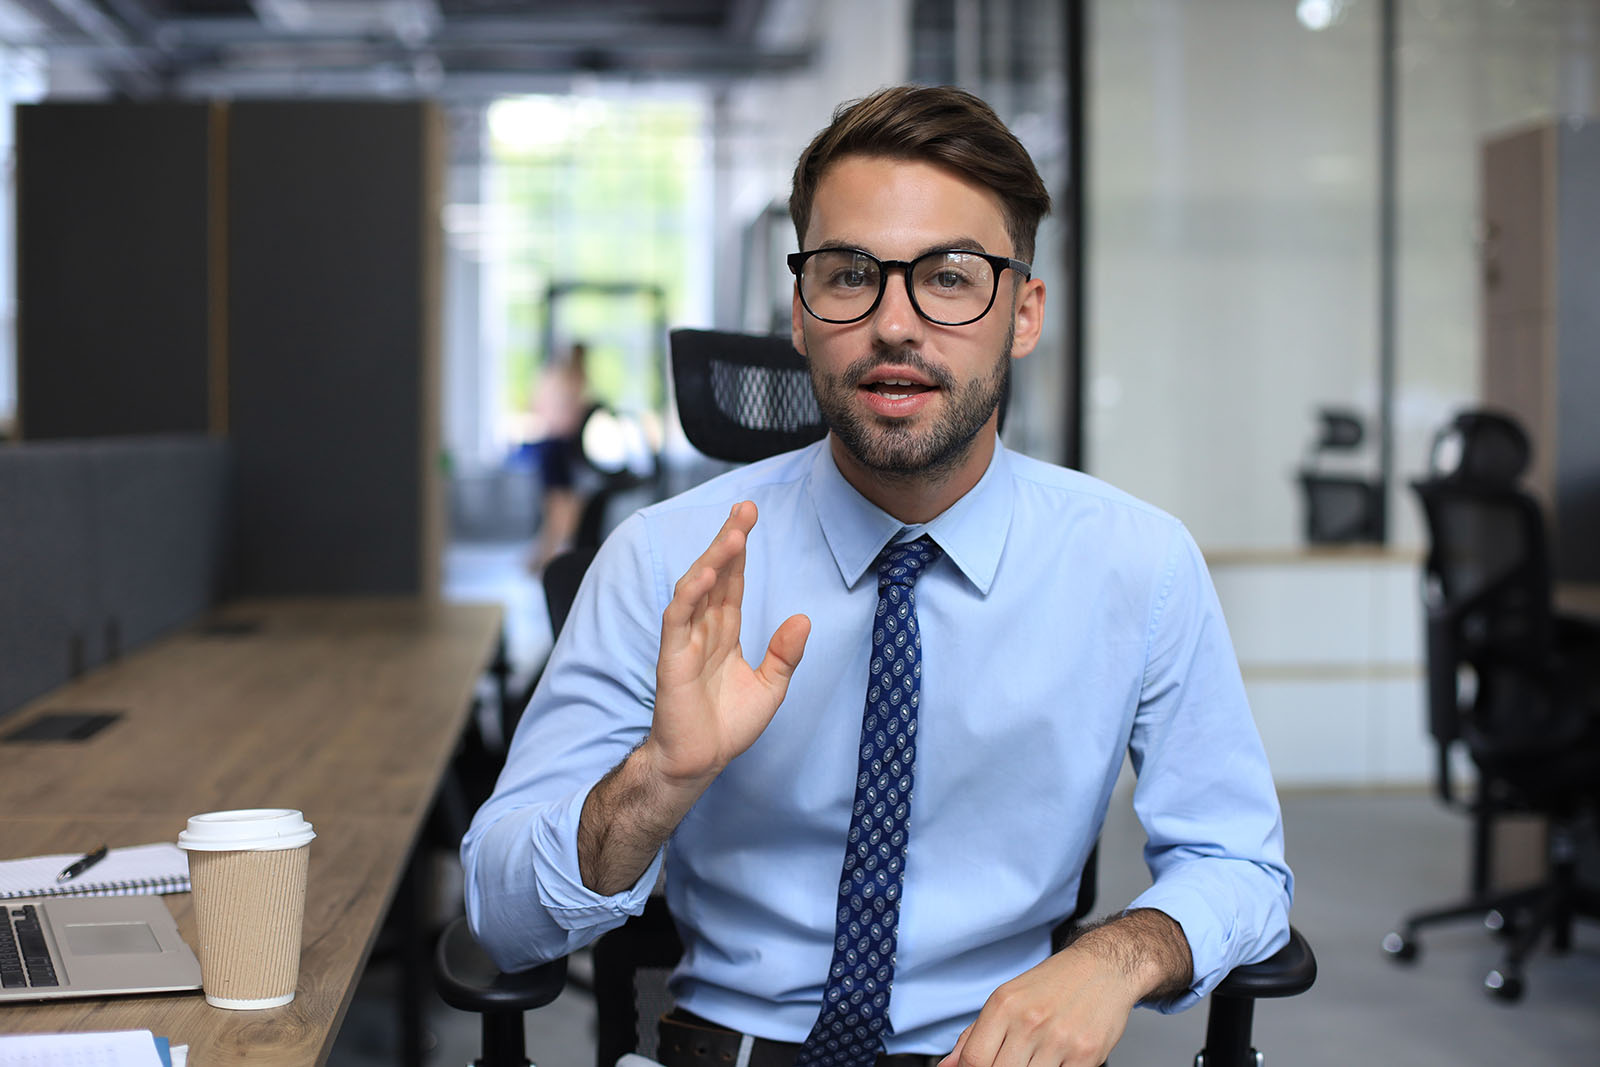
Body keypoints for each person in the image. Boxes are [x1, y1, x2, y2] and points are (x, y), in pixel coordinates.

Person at [464, 85, 1292, 1067]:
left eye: (948, 276)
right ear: (801, 313)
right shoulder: (664, 560)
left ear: (1022, 313)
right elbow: (500, 918)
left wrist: (1115, 955)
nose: (895, 323)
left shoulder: (1138, 564)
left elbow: (1239, 863)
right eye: (850, 273)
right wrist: (658, 777)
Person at [528, 341, 593, 571]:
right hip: (559, 444)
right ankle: (547, 559)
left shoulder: (552, 375)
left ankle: (543, 557)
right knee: (561, 507)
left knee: (557, 506)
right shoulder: (570, 377)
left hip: (552, 444)